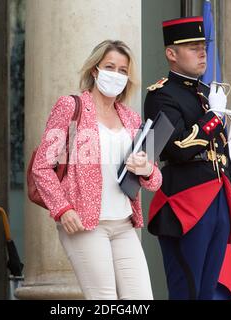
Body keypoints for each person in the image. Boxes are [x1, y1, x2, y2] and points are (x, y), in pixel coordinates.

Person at [32, 40, 162, 300]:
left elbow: (154, 181)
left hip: (124, 224)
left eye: (123, 71)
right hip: (85, 225)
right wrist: (62, 209)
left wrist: (146, 168)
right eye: (110, 67)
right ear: (95, 70)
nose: (116, 75)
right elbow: (42, 166)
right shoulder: (70, 107)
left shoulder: (131, 118)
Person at [144, 16, 231, 300]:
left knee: (209, 291)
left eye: (203, 46)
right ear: (171, 54)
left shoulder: (206, 93)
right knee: (187, 289)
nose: (202, 52)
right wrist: (213, 117)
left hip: (218, 200)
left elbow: (223, 153)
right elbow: (177, 147)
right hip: (186, 201)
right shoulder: (161, 95)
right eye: (192, 47)